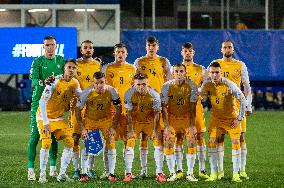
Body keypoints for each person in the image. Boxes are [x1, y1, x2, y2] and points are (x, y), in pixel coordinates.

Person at [211, 40, 252, 180]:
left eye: (229, 47)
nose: (227, 49)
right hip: (221, 108)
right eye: (225, 47)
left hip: (237, 107)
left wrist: (248, 104)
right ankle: (220, 171)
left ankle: (242, 170)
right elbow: (207, 83)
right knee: (219, 137)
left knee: (240, 137)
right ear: (221, 49)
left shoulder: (240, 65)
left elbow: (246, 86)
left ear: (233, 50)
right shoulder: (215, 64)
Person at [37, 59, 81, 183]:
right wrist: (45, 122)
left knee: (70, 141)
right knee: (46, 143)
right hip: (43, 117)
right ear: (64, 68)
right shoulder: (54, 82)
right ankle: (42, 175)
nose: (71, 70)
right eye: (69, 67)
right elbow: (41, 102)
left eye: (73, 68)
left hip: (59, 117)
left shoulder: (74, 83)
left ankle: (62, 174)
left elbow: (80, 95)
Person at [200, 62, 246, 182]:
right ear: (209, 74)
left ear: (221, 73)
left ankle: (235, 174)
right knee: (212, 142)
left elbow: (242, 99)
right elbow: (200, 96)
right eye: (212, 73)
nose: (214, 75)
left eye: (217, 72)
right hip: (216, 119)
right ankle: (215, 173)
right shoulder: (207, 84)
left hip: (231, 119)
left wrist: (239, 118)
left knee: (236, 142)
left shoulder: (229, 84)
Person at [28, 36, 65, 181]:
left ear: (56, 46)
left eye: (52, 45)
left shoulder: (61, 61)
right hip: (39, 103)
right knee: (35, 137)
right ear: (44, 47)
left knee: (54, 137)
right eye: (47, 45)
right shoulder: (38, 61)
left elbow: (68, 74)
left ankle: (53, 168)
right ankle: (31, 169)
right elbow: (34, 80)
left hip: (55, 105)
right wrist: (44, 81)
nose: (50, 47)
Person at [133, 36, 171, 178]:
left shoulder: (164, 61)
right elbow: (135, 82)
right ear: (145, 47)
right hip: (143, 103)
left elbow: (168, 80)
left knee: (158, 136)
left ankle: (159, 171)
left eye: (153, 45)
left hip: (159, 102)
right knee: (143, 136)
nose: (151, 47)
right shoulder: (139, 61)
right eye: (149, 45)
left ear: (157, 46)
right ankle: (143, 170)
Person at [75, 71, 122, 182]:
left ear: (105, 81)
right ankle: (84, 173)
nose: (99, 85)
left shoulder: (112, 91)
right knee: (89, 145)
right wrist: (83, 128)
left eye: (101, 82)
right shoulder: (86, 92)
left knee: (111, 142)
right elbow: (77, 110)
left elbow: (118, 108)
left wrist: (113, 126)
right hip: (90, 121)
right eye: (97, 83)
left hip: (106, 120)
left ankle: (111, 173)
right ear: (93, 83)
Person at [123, 72, 166, 182]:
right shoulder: (128, 94)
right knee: (130, 142)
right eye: (138, 85)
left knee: (158, 142)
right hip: (136, 121)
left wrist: (156, 130)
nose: (141, 87)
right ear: (133, 84)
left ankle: (159, 172)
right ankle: (128, 173)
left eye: (144, 84)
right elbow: (129, 113)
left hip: (149, 122)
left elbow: (157, 113)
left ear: (148, 83)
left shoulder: (155, 95)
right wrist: (131, 129)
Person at [101, 43, 136, 179]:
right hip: (111, 111)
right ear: (114, 54)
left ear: (126, 54)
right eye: (117, 52)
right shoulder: (106, 68)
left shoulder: (132, 68)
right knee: (109, 141)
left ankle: (128, 172)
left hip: (127, 111)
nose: (120, 54)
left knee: (129, 141)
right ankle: (108, 171)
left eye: (122, 52)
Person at [161, 64, 198, 182]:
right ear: (173, 73)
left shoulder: (192, 86)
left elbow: (193, 107)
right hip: (172, 119)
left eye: (181, 71)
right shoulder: (166, 86)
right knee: (169, 141)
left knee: (192, 141)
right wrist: (166, 126)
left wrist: (192, 125)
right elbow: (164, 108)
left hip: (187, 118)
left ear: (185, 73)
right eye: (176, 71)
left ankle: (190, 173)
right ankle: (172, 173)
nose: (179, 73)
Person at [70, 40, 101, 181]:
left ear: (93, 50)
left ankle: (90, 168)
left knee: (92, 138)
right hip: (77, 106)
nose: (88, 49)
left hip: (92, 107)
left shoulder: (97, 65)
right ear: (81, 50)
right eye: (85, 48)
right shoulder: (75, 65)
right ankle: (76, 169)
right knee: (75, 138)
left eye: (90, 48)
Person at [180, 42, 209, 179]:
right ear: (182, 53)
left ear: (193, 53)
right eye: (185, 51)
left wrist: (202, 95)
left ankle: (202, 170)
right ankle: (181, 170)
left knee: (200, 136)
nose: (187, 53)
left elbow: (207, 87)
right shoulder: (177, 69)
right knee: (181, 137)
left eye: (190, 51)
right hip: (180, 109)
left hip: (196, 108)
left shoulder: (201, 69)